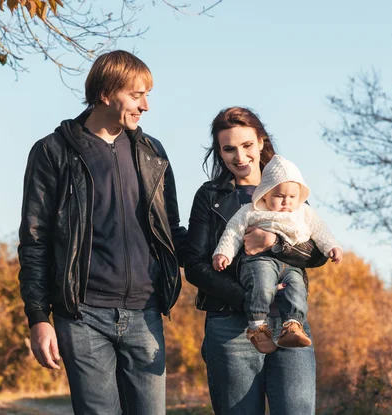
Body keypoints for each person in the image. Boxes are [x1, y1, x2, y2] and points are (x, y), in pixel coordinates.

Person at [17, 50, 187, 415]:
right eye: (137, 94)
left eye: (146, 95)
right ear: (107, 93)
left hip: (145, 312)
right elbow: (35, 240)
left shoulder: (152, 152)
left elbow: (170, 230)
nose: (146, 106)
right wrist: (38, 318)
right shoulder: (54, 151)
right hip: (82, 315)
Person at [184, 106, 327, 415]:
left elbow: (316, 254)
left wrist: (274, 243)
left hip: (291, 324)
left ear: (261, 142)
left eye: (247, 145)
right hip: (230, 326)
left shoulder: (291, 191)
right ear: (220, 153)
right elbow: (194, 265)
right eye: (229, 149)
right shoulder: (210, 196)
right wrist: (248, 298)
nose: (240, 156)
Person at [212, 154, 343, 354]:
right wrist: (223, 253)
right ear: (265, 194)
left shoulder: (303, 213)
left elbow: (320, 231)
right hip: (260, 260)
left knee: (296, 288)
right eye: (279, 196)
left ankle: (292, 325)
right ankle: (257, 326)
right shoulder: (251, 210)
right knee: (262, 284)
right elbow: (233, 231)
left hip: (291, 263)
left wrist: (332, 247)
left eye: (292, 197)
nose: (286, 202)